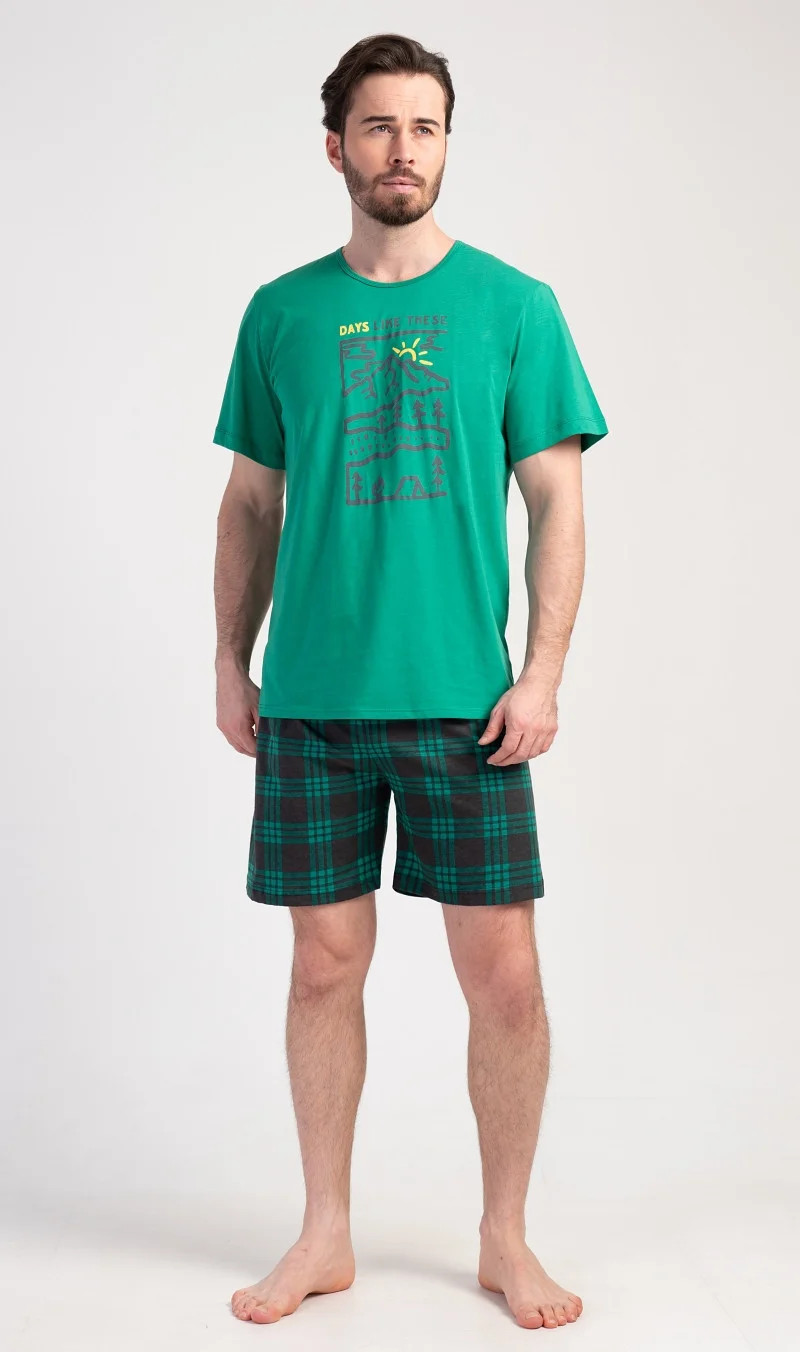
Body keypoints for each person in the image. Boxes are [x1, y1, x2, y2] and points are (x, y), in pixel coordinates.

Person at [211, 31, 607, 1332]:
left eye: (425, 127)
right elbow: (251, 503)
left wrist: (542, 673)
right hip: (315, 705)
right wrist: (228, 659)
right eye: (379, 127)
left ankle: (505, 1237)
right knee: (324, 971)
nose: (403, 150)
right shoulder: (280, 313)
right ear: (337, 146)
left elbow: (557, 501)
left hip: (468, 707)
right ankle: (324, 1232)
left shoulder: (515, 307)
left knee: (507, 981)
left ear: (447, 143)